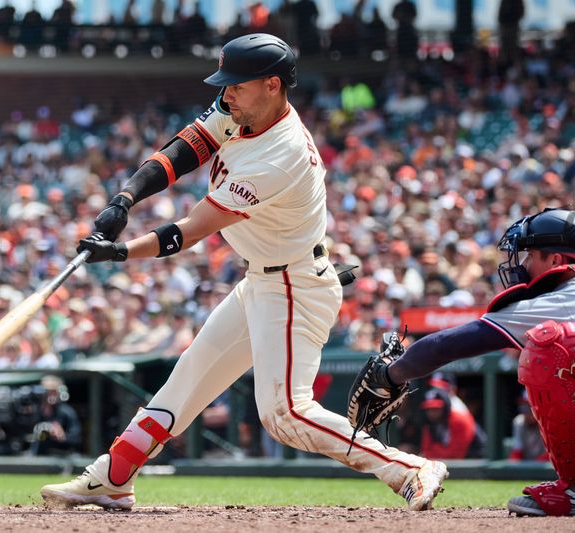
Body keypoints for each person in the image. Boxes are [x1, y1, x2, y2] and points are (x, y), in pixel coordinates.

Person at [41, 33, 447, 512]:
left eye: (237, 84)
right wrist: (124, 199)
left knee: (285, 414)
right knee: (187, 380)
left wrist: (120, 253)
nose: (225, 92)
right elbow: (186, 148)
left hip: (294, 285)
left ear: (272, 85)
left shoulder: (280, 155)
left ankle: (409, 469)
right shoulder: (241, 111)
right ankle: (112, 477)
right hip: (264, 279)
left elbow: (192, 229)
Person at [355, 207, 575, 516]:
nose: (522, 264)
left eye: (530, 255)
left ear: (556, 260)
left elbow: (449, 344)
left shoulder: (561, 297)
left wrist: (391, 374)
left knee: (549, 346)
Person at [29, 375, 82, 456]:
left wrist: (62, 436)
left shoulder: (66, 412)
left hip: (61, 456)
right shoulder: (35, 411)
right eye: (48, 391)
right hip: (38, 455)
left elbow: (76, 439)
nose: (51, 395)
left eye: (54, 391)